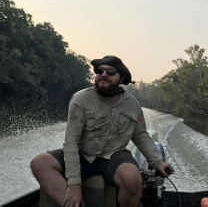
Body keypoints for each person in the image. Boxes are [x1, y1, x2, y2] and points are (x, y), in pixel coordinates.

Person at [31, 55, 174, 207]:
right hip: (82, 154)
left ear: (121, 78)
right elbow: (71, 141)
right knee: (40, 163)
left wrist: (157, 162)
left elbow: (140, 135)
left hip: (115, 154)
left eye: (111, 72)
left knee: (133, 178)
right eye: (100, 71)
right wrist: (74, 183)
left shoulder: (132, 103)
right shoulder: (80, 99)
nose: (104, 74)